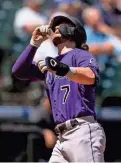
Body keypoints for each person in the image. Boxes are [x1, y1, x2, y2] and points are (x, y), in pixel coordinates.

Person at [12, 15, 106, 162]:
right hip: (61, 137)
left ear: (72, 30)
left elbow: (91, 76)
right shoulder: (53, 65)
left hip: (82, 130)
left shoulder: (80, 55)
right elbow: (19, 71)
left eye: (61, 25)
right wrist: (34, 44)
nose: (55, 28)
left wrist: (63, 69)